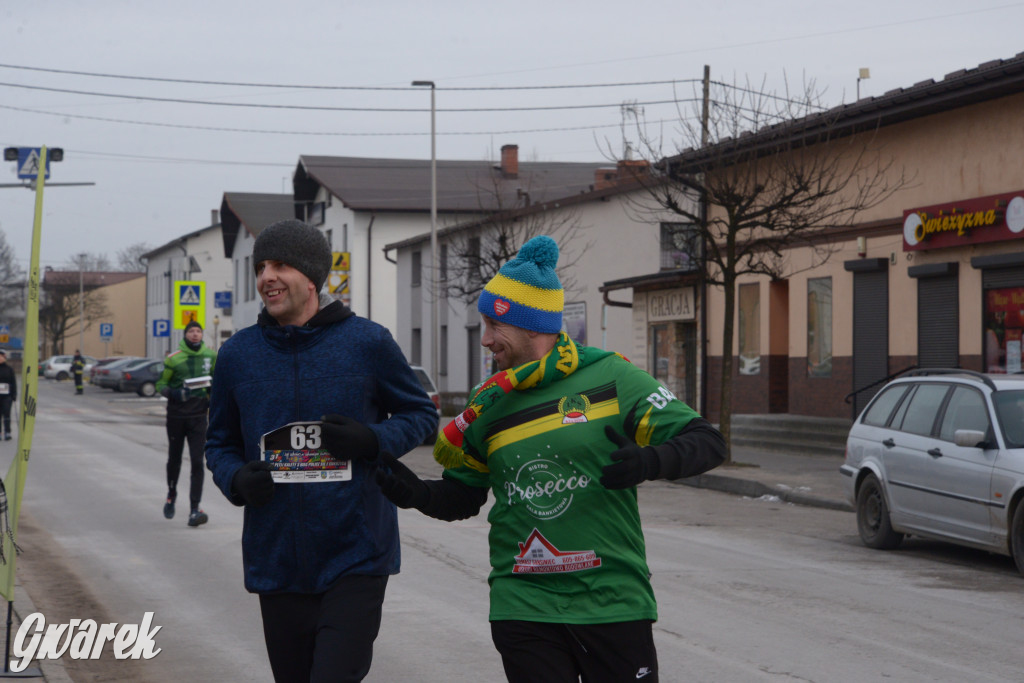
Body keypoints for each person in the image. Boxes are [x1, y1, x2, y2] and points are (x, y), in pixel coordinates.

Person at [370, 236, 726, 683]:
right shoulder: (489, 402)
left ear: (531, 326)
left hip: (611, 601)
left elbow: (708, 442)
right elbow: (463, 496)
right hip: (523, 604)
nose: (485, 341)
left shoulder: (610, 376)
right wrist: (416, 492)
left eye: (492, 326)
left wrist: (649, 462)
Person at [204, 219, 438, 683]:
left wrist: (373, 439)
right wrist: (234, 478)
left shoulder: (367, 342)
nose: (266, 276)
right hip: (276, 559)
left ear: (312, 277)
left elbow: (421, 416)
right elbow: (219, 442)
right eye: (261, 266)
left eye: (281, 264)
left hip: (356, 553)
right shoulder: (238, 355)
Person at [156, 320, 217, 527]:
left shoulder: (211, 356)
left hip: (199, 416)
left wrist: (212, 398)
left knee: (198, 462)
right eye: (191, 331)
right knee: (175, 459)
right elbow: (160, 384)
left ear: (202, 335)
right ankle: (171, 494)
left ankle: (194, 508)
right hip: (176, 416)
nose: (195, 334)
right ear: (185, 335)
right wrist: (174, 393)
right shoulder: (174, 359)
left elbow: (217, 381)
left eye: (198, 331)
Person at [0, 351, 16, 441]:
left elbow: (13, 382)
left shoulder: (9, 369)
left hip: (7, 396)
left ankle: (7, 432)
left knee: (7, 414)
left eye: (1, 357)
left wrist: (14, 394)